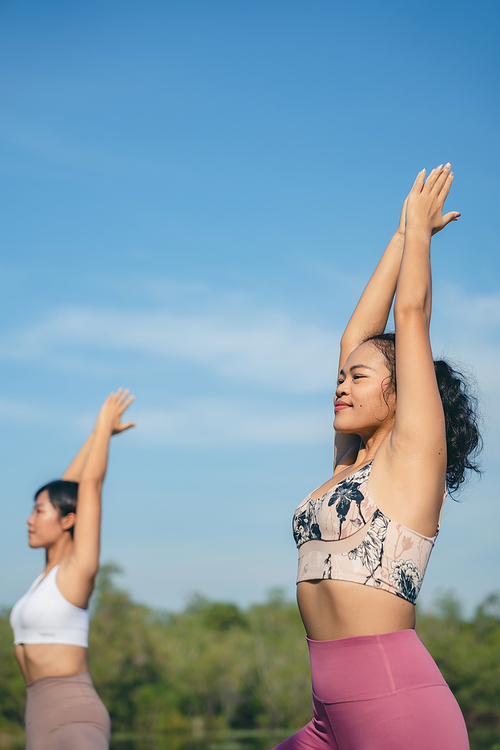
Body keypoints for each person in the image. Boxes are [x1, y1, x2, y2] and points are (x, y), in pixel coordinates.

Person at [278, 166, 481, 750]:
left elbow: (409, 314)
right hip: (330, 716)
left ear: (400, 393)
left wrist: (419, 231)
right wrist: (397, 236)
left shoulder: (412, 461)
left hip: (396, 705)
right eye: (340, 379)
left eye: (358, 379)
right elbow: (354, 339)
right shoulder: (349, 465)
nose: (340, 385)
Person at [10, 389, 135, 750]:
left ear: (67, 520)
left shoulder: (76, 573)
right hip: (38, 719)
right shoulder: (46, 576)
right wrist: (100, 435)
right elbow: (67, 487)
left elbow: (88, 486)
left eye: (39, 511)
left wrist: (100, 424)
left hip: (74, 717)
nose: (30, 519)